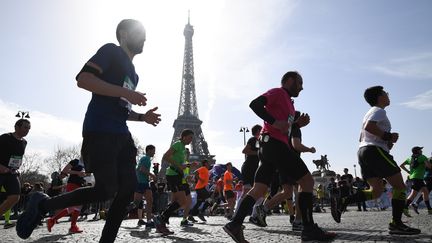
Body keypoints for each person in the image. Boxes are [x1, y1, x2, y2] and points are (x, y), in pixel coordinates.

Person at [16, 19, 161, 243]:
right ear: (123, 33)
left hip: (122, 135)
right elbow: (83, 79)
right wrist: (127, 94)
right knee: (106, 190)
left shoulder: (134, 74)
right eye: (139, 32)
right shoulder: (111, 51)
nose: (144, 37)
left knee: (127, 189)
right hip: (100, 130)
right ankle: (44, 204)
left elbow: (122, 108)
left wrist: (143, 117)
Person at [223, 71, 336, 242]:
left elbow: (284, 127)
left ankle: (235, 224)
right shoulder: (278, 92)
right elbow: (255, 104)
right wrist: (275, 122)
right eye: (299, 83)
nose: (302, 87)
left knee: (258, 189)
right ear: (289, 81)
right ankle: (308, 229)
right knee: (307, 182)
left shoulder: (289, 104)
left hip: (268, 146)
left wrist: (297, 124)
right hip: (275, 145)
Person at [331, 85, 420, 235]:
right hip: (373, 151)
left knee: (376, 191)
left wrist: (389, 141)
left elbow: (366, 135)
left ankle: (344, 200)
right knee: (399, 187)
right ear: (380, 97)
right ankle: (396, 224)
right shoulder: (379, 111)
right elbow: (369, 127)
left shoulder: (370, 113)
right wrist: (388, 137)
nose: (388, 95)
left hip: (364, 151)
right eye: (386, 93)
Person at [154, 129, 194, 234]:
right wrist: (178, 165)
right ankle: (161, 218)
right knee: (183, 201)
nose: (191, 140)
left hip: (177, 175)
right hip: (173, 175)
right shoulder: (177, 144)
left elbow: (181, 165)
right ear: (184, 136)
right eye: (190, 137)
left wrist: (189, 165)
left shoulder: (183, 149)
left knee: (177, 201)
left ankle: (162, 221)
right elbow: (165, 156)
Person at [0, 119, 31, 222]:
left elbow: (19, 156)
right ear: (16, 127)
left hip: (11, 173)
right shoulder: (5, 137)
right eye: (25, 127)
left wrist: (18, 166)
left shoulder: (24, 142)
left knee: (15, 197)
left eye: (29, 128)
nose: (27, 130)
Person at [47, 159, 88, 234]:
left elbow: (84, 174)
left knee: (73, 208)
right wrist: (78, 172)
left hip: (80, 185)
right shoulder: (76, 161)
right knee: (76, 206)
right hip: (73, 184)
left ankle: (53, 220)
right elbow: (65, 170)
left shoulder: (87, 163)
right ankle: (71, 226)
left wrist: (84, 175)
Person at [400, 146, 432, 216]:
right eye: (420, 150)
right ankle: (405, 207)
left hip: (414, 178)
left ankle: (429, 209)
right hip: (418, 178)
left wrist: (408, 171)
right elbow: (429, 166)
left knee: (425, 192)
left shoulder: (410, 158)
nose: (422, 151)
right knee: (413, 194)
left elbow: (401, 165)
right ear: (418, 151)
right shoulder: (422, 157)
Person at [132, 145, 157, 228]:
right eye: (153, 150)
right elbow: (141, 169)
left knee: (150, 201)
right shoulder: (146, 159)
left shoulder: (145, 159)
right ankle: (120, 213)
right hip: (141, 183)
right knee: (136, 203)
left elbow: (139, 169)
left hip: (144, 183)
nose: (154, 152)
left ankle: (149, 221)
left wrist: (148, 176)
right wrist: (152, 175)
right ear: (149, 150)